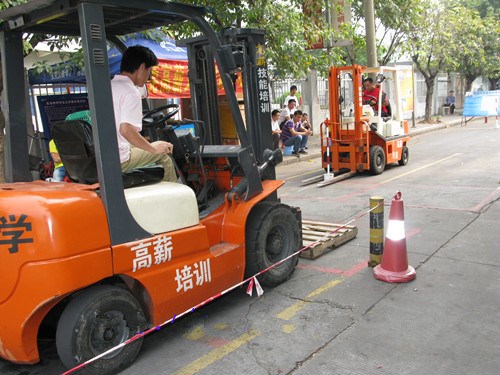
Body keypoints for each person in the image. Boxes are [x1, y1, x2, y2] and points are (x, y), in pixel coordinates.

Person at [111, 45, 177, 182]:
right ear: (142, 67)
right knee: (164, 157)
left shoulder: (110, 86)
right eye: (149, 71)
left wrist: (151, 146)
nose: (148, 76)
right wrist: (153, 149)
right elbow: (126, 129)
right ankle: (176, 202)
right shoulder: (131, 91)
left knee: (155, 145)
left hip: (109, 151)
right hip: (120, 159)